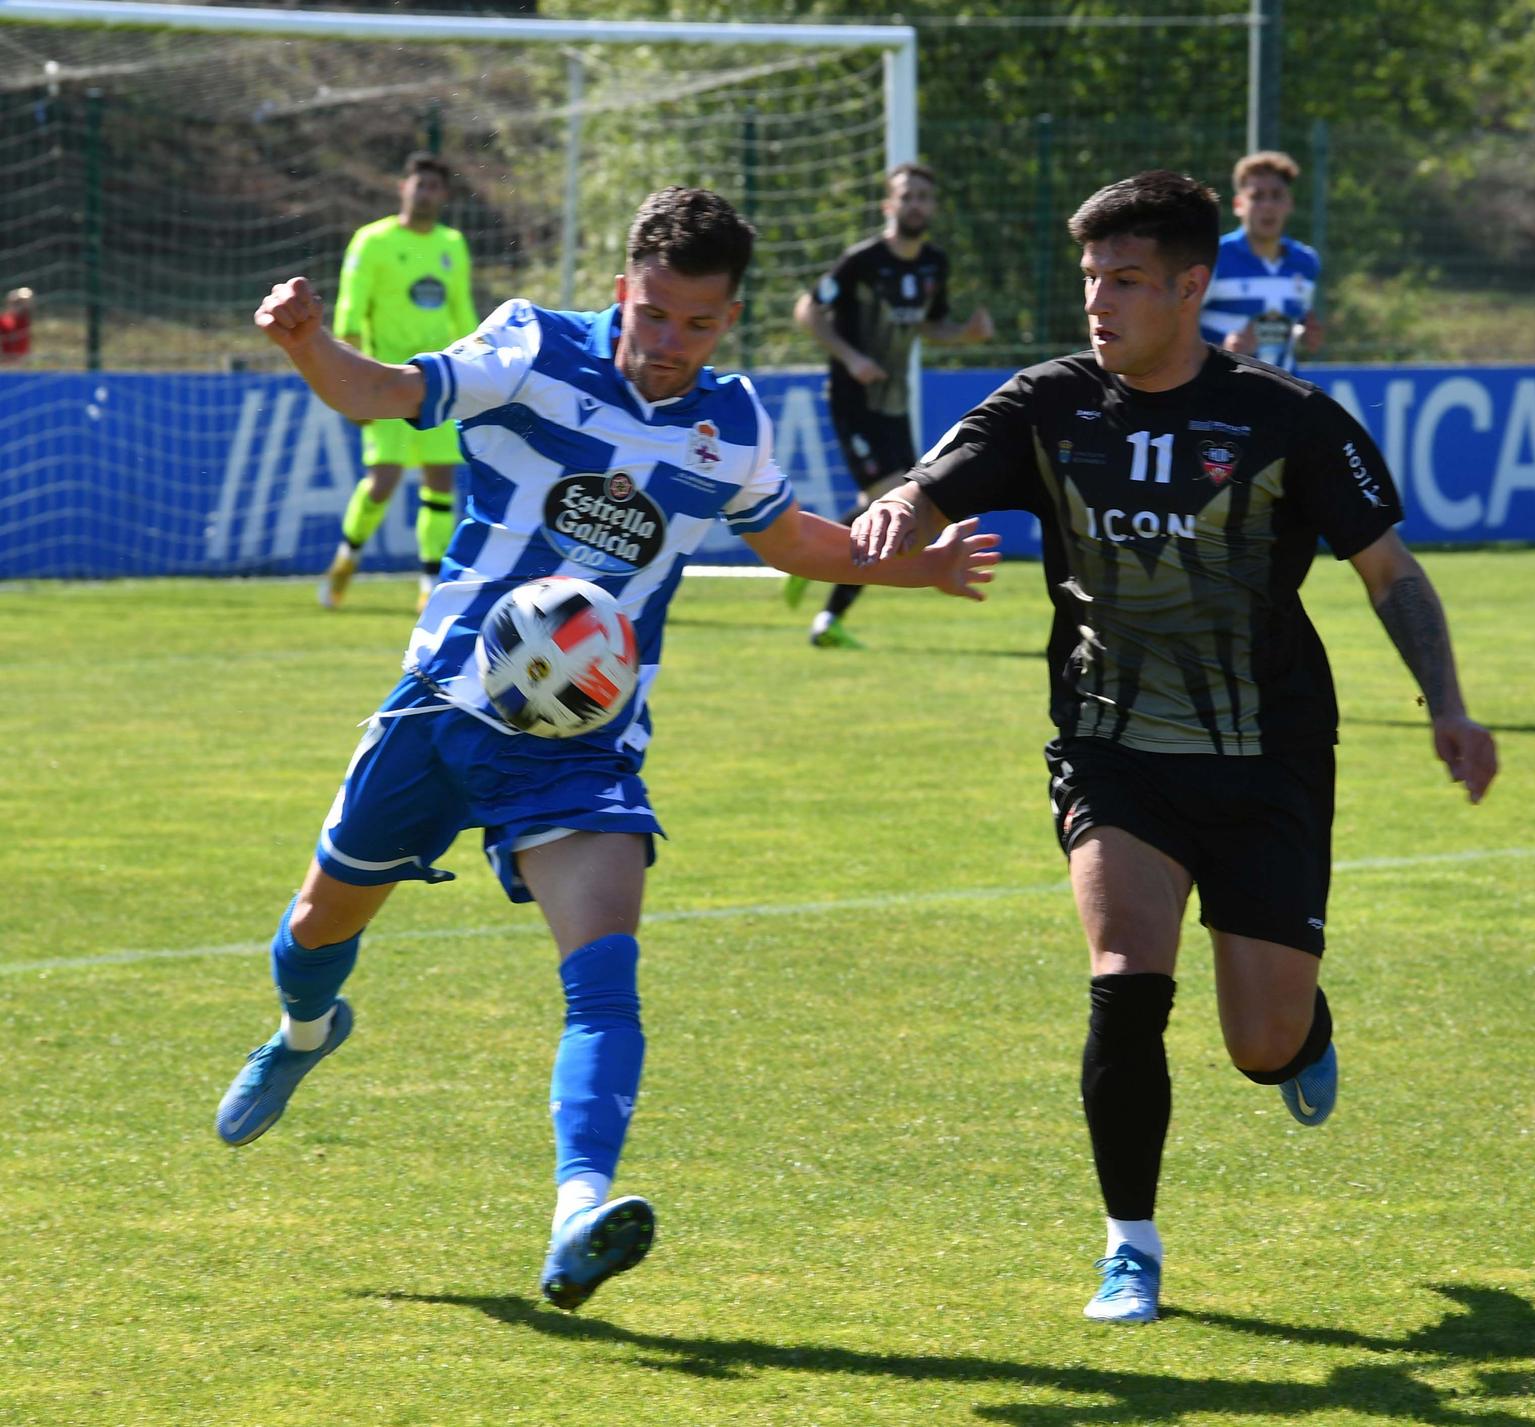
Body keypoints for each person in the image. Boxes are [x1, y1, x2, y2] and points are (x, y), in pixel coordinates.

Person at [220, 187, 998, 1313]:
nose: (672, 344)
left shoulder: (730, 423)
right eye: (654, 314)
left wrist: (914, 567)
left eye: (700, 324)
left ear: (730, 318)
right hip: (443, 703)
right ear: (623, 287)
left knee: (604, 978)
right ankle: (305, 1026)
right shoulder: (533, 346)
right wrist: (307, 342)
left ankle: (578, 1206)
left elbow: (786, 537)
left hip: (580, 740)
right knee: (314, 928)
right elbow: (386, 393)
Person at [852, 170, 1497, 1325]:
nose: (1099, 302)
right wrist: (902, 505)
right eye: (1090, 277)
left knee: (1259, 1042)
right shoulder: (1045, 404)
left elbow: (1388, 572)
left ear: (1191, 286)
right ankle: (1128, 1246)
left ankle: (1302, 1033)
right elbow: (934, 479)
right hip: (1110, 745)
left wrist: (1445, 705)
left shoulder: (1285, 417)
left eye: (1127, 280)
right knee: (1123, 977)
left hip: (1267, 757)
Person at [783, 161, 993, 648]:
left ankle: (805, 552)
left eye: (924, 195)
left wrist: (966, 334)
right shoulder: (863, 261)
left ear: (932, 207)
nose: (916, 203)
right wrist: (853, 358)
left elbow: (930, 327)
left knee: (880, 508)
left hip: (896, 403)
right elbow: (807, 310)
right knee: (892, 507)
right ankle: (827, 617)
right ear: (889, 205)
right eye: (907, 195)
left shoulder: (933, 265)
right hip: (856, 399)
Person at [318, 151, 478, 612]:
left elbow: (461, 313)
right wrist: (351, 384)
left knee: (440, 481)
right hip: (383, 378)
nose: (425, 193)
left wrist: (472, 368)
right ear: (402, 187)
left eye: (434, 187)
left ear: (444, 195)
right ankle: (347, 557)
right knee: (383, 481)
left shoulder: (452, 244)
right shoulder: (373, 241)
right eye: (418, 184)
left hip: (438, 378)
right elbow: (351, 312)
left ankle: (430, 584)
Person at [1198, 150, 1322, 372]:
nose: (1268, 206)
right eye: (1257, 196)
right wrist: (1222, 350)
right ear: (1238, 205)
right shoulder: (1213, 256)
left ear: (1289, 203)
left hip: (1286, 392)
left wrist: (1305, 335)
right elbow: (1177, 326)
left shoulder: (1306, 262)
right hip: (1221, 390)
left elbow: (1294, 323)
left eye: (1277, 195)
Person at [0, 286, 32, 363]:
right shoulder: (3, 320)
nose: (19, 306)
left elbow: (29, 299)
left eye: (20, 303)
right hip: (6, 361)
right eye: (16, 303)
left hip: (22, 361)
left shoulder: (24, 319)